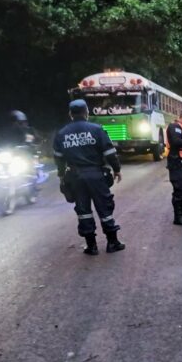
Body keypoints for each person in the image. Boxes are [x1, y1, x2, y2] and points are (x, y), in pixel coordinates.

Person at [53, 99, 125, 255]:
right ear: (86, 112)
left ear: (70, 114)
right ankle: (112, 242)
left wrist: (61, 175)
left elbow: (58, 159)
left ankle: (91, 246)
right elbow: (109, 153)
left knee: (83, 210)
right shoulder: (97, 129)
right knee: (104, 208)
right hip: (96, 175)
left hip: (75, 177)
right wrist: (117, 169)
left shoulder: (61, 134)